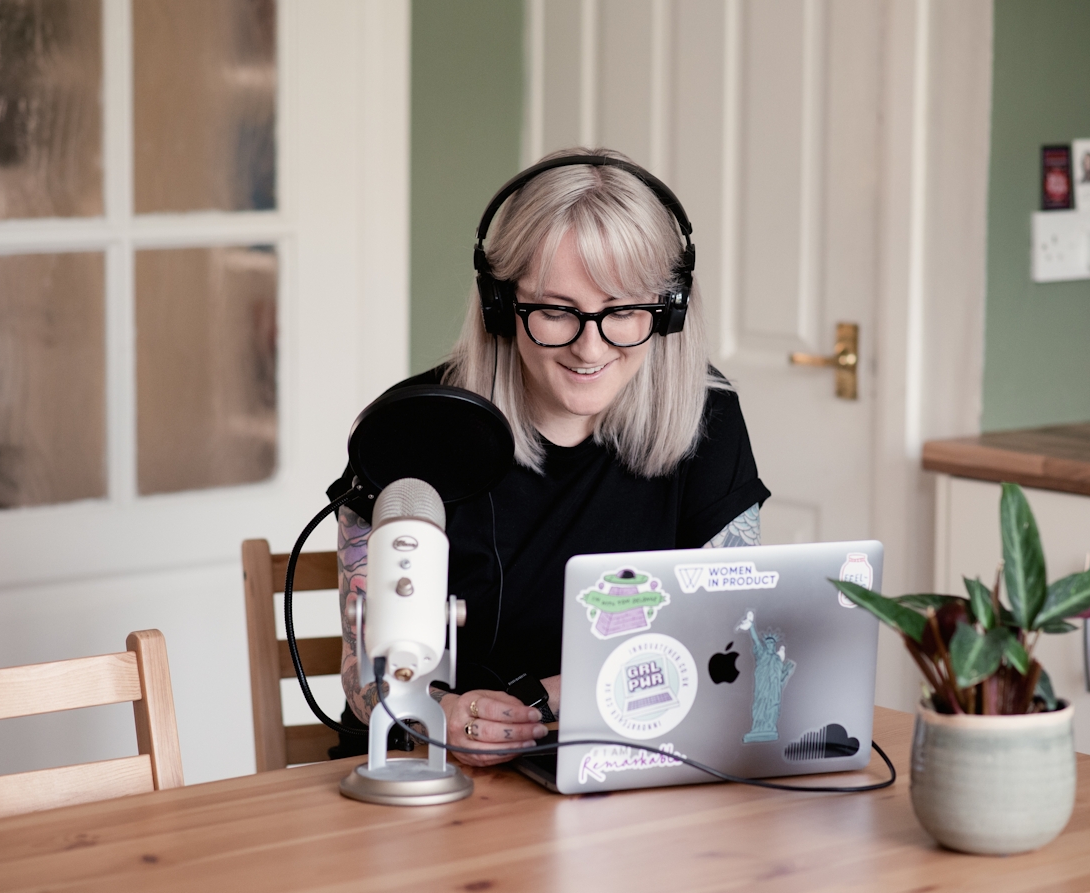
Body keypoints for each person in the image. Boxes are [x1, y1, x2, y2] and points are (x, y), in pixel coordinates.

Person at [328, 148, 770, 766]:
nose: (591, 346)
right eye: (557, 311)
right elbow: (363, 670)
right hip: (430, 773)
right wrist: (438, 712)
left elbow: (733, 637)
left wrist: (547, 702)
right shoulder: (410, 431)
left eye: (623, 311)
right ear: (500, 305)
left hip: (630, 758)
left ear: (667, 311)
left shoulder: (707, 416)